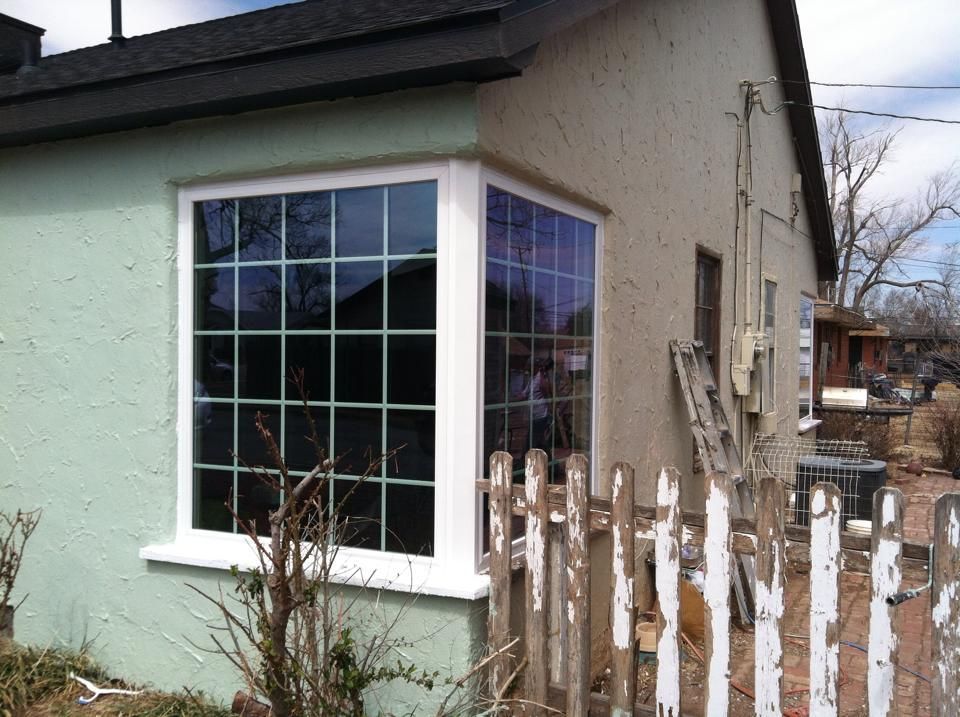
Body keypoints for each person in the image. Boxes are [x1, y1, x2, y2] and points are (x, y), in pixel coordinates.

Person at [530, 358, 554, 452]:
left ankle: (551, 462)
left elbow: (546, 392)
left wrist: (550, 407)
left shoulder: (541, 377)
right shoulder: (538, 377)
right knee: (539, 440)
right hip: (536, 412)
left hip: (539, 413)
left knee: (537, 439)